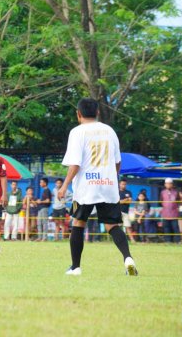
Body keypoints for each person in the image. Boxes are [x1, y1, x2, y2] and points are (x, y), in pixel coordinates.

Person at [58, 98, 137, 276]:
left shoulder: (77, 132)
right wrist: (110, 178)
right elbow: (117, 163)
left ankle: (75, 267)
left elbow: (75, 164)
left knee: (78, 223)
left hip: (86, 187)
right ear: (98, 113)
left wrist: (64, 186)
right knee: (112, 225)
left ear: (78, 114)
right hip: (108, 186)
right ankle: (128, 259)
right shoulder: (109, 131)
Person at [160, 178, 180, 243]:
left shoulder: (176, 192)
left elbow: (178, 201)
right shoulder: (162, 192)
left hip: (174, 213)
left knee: (175, 228)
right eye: (167, 184)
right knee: (166, 228)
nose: (168, 185)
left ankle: (177, 241)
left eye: (169, 183)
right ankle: (168, 240)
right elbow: (161, 201)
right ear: (165, 184)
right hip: (165, 213)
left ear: (172, 184)